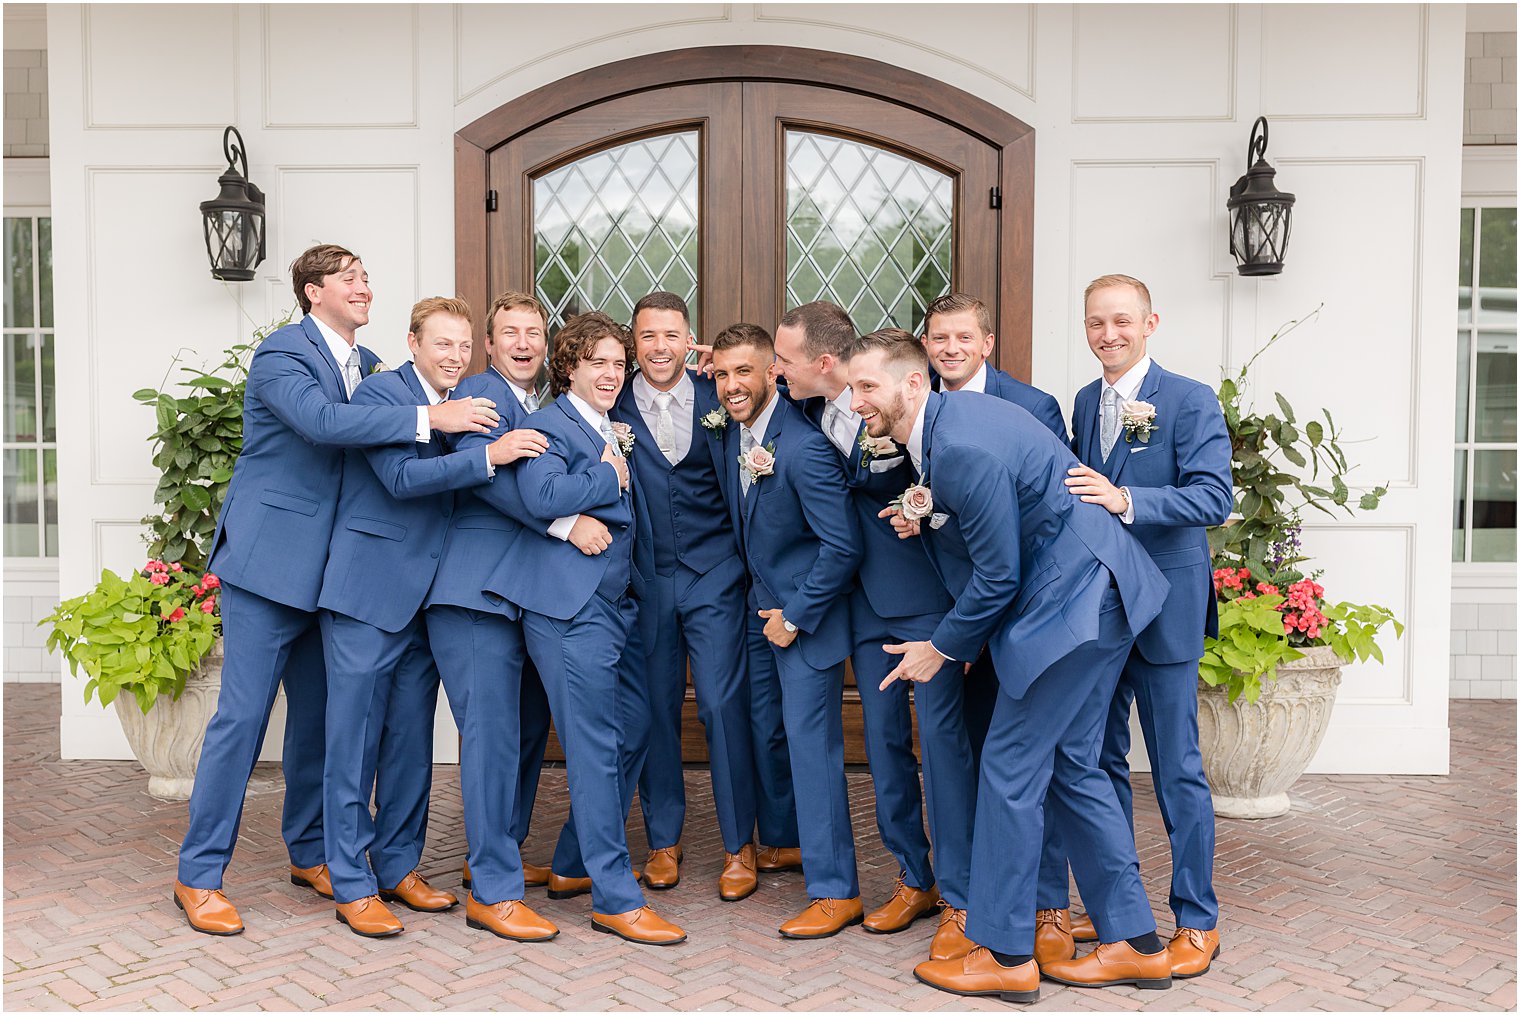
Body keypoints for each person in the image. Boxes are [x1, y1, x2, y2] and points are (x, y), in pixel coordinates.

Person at [172, 245, 497, 936]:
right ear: (313, 291)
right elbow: (321, 424)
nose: (364, 285)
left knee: (318, 725)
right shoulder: (282, 354)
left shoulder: (372, 365)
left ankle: (311, 851)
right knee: (244, 718)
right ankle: (199, 873)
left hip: (330, 578)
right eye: (349, 277)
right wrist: (428, 421)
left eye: (368, 275)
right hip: (267, 566)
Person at [846, 328, 1173, 1003]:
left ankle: (1003, 952)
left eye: (867, 386)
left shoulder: (956, 443)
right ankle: (1136, 942)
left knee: (1009, 768)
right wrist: (930, 510)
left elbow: (998, 577)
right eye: (852, 387)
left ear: (913, 384)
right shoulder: (951, 426)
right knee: (1075, 766)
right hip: (1100, 592)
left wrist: (943, 646)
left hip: (1074, 607)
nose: (856, 402)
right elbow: (1008, 506)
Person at [317, 297, 533, 937]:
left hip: (427, 599)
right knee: (353, 743)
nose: (455, 357)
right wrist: (487, 455)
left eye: (464, 347)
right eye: (443, 344)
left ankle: (398, 866)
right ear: (413, 342)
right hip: (368, 592)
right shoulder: (382, 394)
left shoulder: (466, 403)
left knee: (410, 741)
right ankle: (351, 883)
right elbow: (401, 480)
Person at [1036, 274, 1232, 979]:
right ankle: (1120, 910)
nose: (1108, 334)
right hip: (1102, 611)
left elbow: (1214, 495)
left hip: (1167, 612)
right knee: (1097, 761)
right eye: (1095, 322)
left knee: (1178, 768)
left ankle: (1197, 919)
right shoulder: (1087, 402)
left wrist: (1126, 498)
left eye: (1121, 320)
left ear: (1151, 321)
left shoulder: (1189, 398)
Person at [485, 311, 683, 945]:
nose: (610, 372)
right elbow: (542, 497)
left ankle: (572, 864)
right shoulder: (549, 423)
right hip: (570, 611)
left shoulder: (609, 427)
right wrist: (607, 476)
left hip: (618, 606)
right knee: (596, 746)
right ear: (568, 366)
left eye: (617, 363)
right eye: (596, 361)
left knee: (636, 728)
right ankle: (614, 897)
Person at [775, 301, 966, 949]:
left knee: (941, 750)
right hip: (856, 604)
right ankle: (915, 878)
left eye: (785, 359)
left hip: (919, 596)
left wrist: (923, 506)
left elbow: (943, 481)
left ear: (822, 362)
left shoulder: (907, 406)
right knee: (883, 750)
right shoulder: (800, 410)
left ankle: (961, 893)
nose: (778, 371)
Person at [425, 290, 606, 940]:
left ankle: (494, 861)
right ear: (491, 344)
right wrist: (567, 520)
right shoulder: (479, 396)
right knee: (493, 738)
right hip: (475, 591)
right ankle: (494, 892)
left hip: (521, 597)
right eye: (511, 332)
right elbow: (494, 483)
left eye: (534, 330)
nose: (524, 342)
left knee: (522, 734)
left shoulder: (540, 406)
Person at [711, 322, 863, 939]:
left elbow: (842, 546)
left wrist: (796, 616)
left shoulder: (802, 447)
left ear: (774, 371)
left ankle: (836, 892)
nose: (730, 385)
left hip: (805, 620)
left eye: (744, 370)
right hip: (759, 610)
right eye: (720, 374)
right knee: (764, 732)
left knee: (813, 751)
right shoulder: (737, 435)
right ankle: (781, 843)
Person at [612, 292, 764, 900]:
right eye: (648, 336)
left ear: (689, 340)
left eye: (672, 336)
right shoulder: (610, 401)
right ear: (633, 342)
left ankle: (738, 845)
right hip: (646, 579)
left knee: (723, 708)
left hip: (714, 574)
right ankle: (663, 841)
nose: (659, 348)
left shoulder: (719, 397)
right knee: (654, 710)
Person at [922, 291, 1067, 442]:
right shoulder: (913, 397)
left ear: (987, 345)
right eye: (940, 338)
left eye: (965, 338)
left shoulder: (1034, 408)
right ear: (925, 344)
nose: (951, 349)